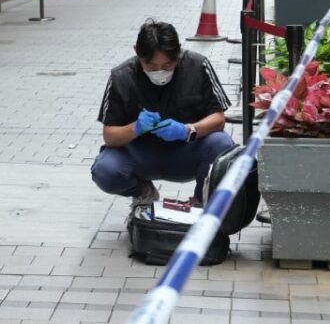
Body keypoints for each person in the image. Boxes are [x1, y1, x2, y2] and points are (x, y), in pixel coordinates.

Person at [91, 20, 234, 212]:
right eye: (150, 65)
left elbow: (218, 118)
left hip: (186, 152)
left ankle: (202, 200)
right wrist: (136, 127)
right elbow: (109, 135)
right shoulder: (121, 77)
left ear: (179, 51)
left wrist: (188, 130)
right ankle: (142, 192)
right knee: (105, 170)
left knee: (221, 144)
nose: (160, 72)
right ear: (136, 51)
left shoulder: (198, 66)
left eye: (168, 65)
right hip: (140, 155)